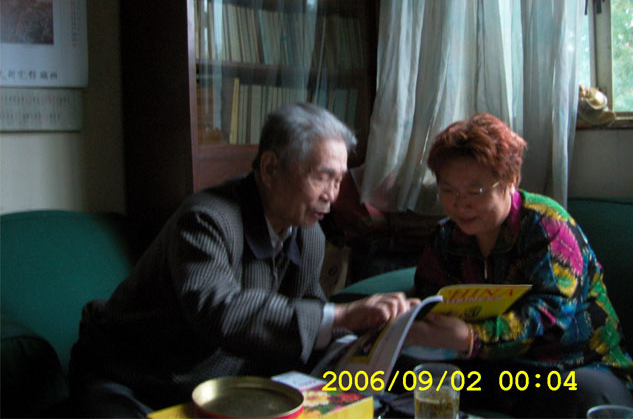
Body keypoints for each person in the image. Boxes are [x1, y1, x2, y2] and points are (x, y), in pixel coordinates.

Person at [70, 103, 415, 417]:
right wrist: (341, 315)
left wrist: (372, 337)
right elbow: (219, 310)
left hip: (224, 385)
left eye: (338, 181)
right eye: (322, 177)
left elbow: (307, 316)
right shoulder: (206, 220)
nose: (332, 196)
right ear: (270, 168)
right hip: (133, 378)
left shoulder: (309, 233)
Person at [405, 112, 633, 417]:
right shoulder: (446, 237)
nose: (460, 203)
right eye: (448, 190)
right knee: (405, 374)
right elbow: (427, 298)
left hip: (575, 367)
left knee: (578, 394)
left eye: (475, 191)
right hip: (497, 372)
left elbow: (551, 319)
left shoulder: (547, 227)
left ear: (511, 181)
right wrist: (410, 321)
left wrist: (472, 338)